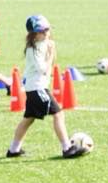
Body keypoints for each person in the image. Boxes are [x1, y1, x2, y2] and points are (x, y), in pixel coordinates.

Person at [5, 15, 86, 159]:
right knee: (58, 114)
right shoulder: (33, 49)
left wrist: (51, 51)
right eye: (43, 31)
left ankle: (13, 149)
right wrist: (50, 54)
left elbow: (49, 66)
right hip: (37, 88)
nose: (47, 33)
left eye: (47, 29)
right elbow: (43, 69)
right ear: (35, 34)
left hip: (35, 88)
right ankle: (67, 148)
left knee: (28, 119)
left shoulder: (44, 43)